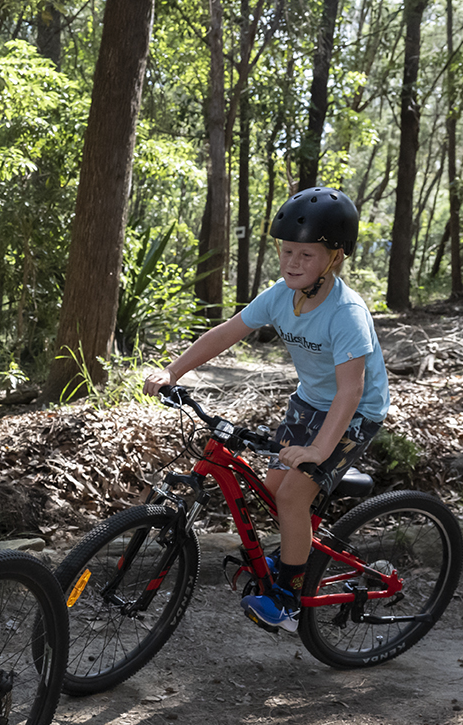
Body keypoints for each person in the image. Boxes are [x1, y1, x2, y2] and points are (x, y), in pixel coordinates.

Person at [143, 187, 388, 631]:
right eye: (287, 251)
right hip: (310, 403)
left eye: (307, 255)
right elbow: (226, 332)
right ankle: (302, 547)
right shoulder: (280, 295)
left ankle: (291, 599)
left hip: (353, 414)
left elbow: (351, 392)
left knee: (293, 495)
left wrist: (318, 451)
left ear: (334, 257)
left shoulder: (347, 313)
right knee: (274, 491)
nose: (293, 262)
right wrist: (173, 371)